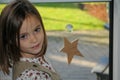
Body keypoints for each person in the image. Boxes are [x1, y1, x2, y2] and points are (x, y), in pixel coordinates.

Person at [0, 0, 60, 80]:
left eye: (36, 30)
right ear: (10, 40)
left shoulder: (36, 58)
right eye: (23, 36)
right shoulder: (30, 75)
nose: (34, 39)